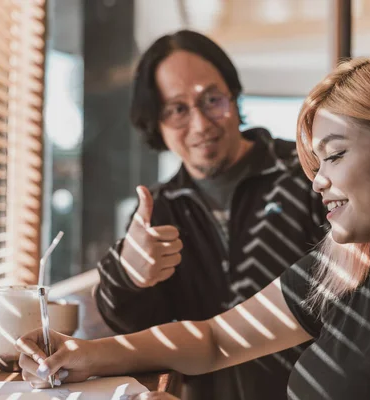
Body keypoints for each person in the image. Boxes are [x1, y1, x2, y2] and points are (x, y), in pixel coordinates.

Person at [17, 50, 370, 400]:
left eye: (333, 156)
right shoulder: (349, 269)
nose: (317, 182)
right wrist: (83, 355)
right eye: (316, 164)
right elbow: (216, 339)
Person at [92, 30, 326, 400]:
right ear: (156, 121)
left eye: (212, 100)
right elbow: (138, 329)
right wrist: (127, 276)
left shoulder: (307, 174)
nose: (201, 125)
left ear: (233, 95)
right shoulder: (158, 210)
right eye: (178, 109)